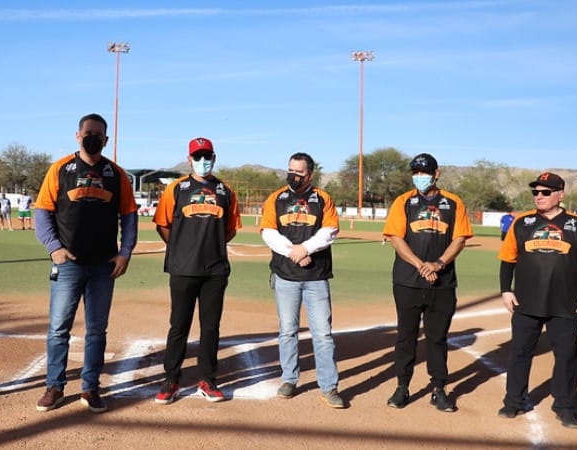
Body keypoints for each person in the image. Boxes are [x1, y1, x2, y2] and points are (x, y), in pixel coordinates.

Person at [33, 113, 137, 413]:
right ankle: (54, 386)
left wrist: (125, 251)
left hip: (104, 265)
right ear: (78, 135)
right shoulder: (60, 169)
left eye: (99, 134)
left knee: (96, 331)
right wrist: (54, 248)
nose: (93, 137)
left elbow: (129, 216)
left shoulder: (116, 175)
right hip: (69, 264)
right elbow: (42, 212)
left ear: (106, 140)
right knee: (58, 329)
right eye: (88, 132)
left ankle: (90, 388)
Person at [497, 172, 577, 429]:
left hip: (565, 304)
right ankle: (514, 400)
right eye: (536, 192)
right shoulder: (522, 222)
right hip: (525, 303)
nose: (539, 196)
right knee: (520, 352)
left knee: (566, 356)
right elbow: (508, 260)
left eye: (545, 192)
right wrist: (505, 290)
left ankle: (564, 405)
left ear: (560, 194)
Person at [152, 137, 242, 405]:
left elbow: (230, 229)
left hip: (214, 270)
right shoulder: (177, 189)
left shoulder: (225, 191)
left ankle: (207, 379)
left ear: (214, 158)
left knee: (210, 327)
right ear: (189, 159)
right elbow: (163, 224)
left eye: (207, 156)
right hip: (183, 268)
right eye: (197, 157)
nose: (203, 161)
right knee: (178, 325)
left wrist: (209, 246)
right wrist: (182, 248)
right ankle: (171, 379)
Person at [382, 153, 473, 412]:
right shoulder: (403, 202)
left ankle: (439, 389)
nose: (419, 177)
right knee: (406, 336)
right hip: (407, 281)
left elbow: (459, 239)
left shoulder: (453, 203)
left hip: (442, 282)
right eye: (416, 172)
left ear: (437, 173)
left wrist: (439, 264)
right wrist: (421, 265)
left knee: (437, 338)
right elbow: (396, 239)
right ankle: (402, 387)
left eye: (424, 172)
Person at [260, 152, 344, 408]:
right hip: (286, 275)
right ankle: (289, 379)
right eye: (290, 171)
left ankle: (329, 387)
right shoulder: (277, 198)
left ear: (310, 174)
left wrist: (305, 249)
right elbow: (268, 232)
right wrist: (294, 253)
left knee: (323, 334)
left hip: (316, 277)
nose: (293, 176)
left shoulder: (323, 199)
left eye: (299, 173)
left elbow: (329, 231)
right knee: (287, 331)